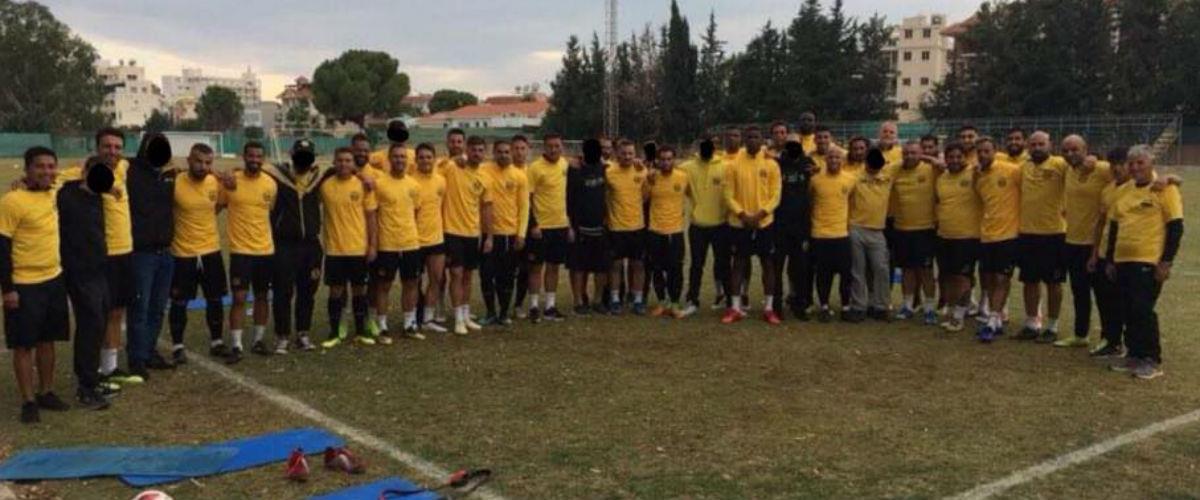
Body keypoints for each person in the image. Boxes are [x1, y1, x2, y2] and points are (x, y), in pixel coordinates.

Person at [3, 147, 70, 423]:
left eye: (51, 166)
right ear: (27, 169)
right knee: (23, 345)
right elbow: (2, 247)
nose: (47, 171)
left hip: (53, 279)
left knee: (47, 340)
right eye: (40, 166)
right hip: (24, 284)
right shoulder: (12, 201)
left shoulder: (55, 191)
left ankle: (46, 391)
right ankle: (28, 400)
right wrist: (8, 289)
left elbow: (85, 172)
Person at [1105, 145, 1183, 380]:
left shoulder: (1165, 189)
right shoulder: (1123, 191)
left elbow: (1175, 227)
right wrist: (1110, 260)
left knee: (1142, 309)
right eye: (1132, 163)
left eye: (1140, 162)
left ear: (1151, 163)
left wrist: (1166, 262)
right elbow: (1114, 227)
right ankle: (1134, 355)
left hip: (1148, 260)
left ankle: (1151, 359)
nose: (1135, 167)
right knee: (1127, 309)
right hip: (1122, 259)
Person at [58, 157, 116, 410]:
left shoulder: (98, 196)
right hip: (78, 271)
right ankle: (86, 387)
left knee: (100, 321)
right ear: (85, 172)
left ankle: (92, 377)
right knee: (90, 323)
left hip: (99, 269)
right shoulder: (66, 195)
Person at [168, 144, 230, 361]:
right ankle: (177, 346)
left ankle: (217, 342)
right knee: (180, 301)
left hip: (211, 249)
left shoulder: (214, 182)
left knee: (215, 298)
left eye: (207, 162)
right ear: (189, 160)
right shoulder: (175, 182)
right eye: (198, 161)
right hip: (183, 252)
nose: (203, 166)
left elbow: (219, 205)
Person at [264, 139, 323, 353]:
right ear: (291, 155)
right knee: (283, 291)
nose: (303, 160)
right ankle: (282, 335)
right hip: (284, 245)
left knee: (307, 292)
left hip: (311, 246)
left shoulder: (318, 178)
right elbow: (251, 169)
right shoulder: (276, 176)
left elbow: (348, 167)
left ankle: (303, 333)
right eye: (299, 155)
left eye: (307, 156)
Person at [126, 132, 178, 373]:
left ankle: (149, 351)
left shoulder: (169, 174)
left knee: (158, 307)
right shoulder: (128, 171)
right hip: (141, 253)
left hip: (165, 252)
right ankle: (136, 358)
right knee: (140, 307)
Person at [722, 126, 782, 325]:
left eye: (756, 137)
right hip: (740, 224)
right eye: (749, 137)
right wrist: (742, 215)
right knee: (738, 263)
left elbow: (776, 195)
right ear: (744, 140)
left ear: (762, 140)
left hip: (764, 223)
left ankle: (769, 308)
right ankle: (735, 307)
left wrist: (760, 214)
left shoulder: (771, 164)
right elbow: (728, 194)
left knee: (768, 264)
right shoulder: (733, 164)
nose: (753, 140)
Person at [319, 147, 379, 347]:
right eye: (340, 160)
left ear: (353, 164)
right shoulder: (325, 186)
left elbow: (371, 217)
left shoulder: (363, 185)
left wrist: (372, 245)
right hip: (334, 249)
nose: (343, 164)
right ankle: (334, 332)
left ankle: (360, 331)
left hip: (358, 248)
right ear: (334, 162)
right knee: (335, 291)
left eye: (347, 160)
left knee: (359, 291)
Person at [224, 142, 279, 358]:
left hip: (265, 251)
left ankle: (258, 340)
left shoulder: (270, 184)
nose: (255, 160)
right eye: (251, 156)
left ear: (263, 159)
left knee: (262, 296)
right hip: (240, 251)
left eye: (258, 156)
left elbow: (271, 211)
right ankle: (236, 344)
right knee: (239, 298)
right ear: (244, 156)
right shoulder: (231, 182)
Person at [1058, 135, 1112, 348]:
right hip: (1072, 241)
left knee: (1103, 294)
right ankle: (1081, 335)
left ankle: (1110, 338)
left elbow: (1132, 174)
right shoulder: (1067, 170)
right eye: (1065, 150)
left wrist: (1168, 179)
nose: (1070, 154)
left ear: (1086, 149)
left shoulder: (1102, 169)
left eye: (1075, 149)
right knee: (1079, 292)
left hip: (1095, 244)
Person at [1015, 131, 1069, 343]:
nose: (1037, 148)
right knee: (1029, 281)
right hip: (1027, 233)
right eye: (1033, 144)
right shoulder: (1023, 168)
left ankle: (1052, 326)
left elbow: (1084, 168)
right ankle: (1032, 323)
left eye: (1041, 144)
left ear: (1050, 145)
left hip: (1054, 234)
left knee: (1053, 283)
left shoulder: (1060, 164)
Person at [442, 136, 494, 335]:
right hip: (452, 230)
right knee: (456, 273)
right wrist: (453, 160)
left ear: (484, 153)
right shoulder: (452, 167)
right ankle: (457, 319)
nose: (477, 154)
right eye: (473, 150)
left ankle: (465, 314)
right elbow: (434, 168)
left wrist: (489, 236)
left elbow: (486, 208)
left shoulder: (485, 177)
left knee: (468, 275)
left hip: (473, 233)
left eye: (481, 150)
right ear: (466, 150)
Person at [371, 143, 424, 338]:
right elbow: (374, 214)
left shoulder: (414, 185)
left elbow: (415, 212)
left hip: (411, 243)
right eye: (396, 156)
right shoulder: (379, 184)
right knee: (383, 286)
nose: (400, 160)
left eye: (403, 157)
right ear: (389, 159)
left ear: (407, 160)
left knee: (411, 283)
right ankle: (382, 325)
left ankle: (409, 324)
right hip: (387, 244)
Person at [973, 137, 1022, 342]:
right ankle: (996, 318)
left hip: (1008, 235)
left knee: (1002, 278)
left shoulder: (1011, 170)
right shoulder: (978, 177)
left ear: (996, 151)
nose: (983, 155)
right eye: (980, 152)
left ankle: (993, 319)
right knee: (990, 279)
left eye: (987, 151)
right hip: (987, 235)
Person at [933, 142, 982, 332]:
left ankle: (960, 316)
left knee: (963, 278)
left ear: (964, 158)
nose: (954, 160)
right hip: (944, 235)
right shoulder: (942, 178)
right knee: (949, 277)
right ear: (945, 159)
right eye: (950, 157)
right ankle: (954, 310)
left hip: (967, 236)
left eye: (958, 157)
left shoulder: (974, 173)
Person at [479, 139, 529, 324]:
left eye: (507, 152)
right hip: (488, 234)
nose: (503, 155)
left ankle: (504, 313)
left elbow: (524, 207)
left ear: (512, 153)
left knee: (506, 276)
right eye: (499, 152)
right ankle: (490, 312)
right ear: (493, 153)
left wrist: (521, 233)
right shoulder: (484, 170)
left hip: (510, 234)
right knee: (486, 275)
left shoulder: (519, 176)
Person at [680, 136, 730, 315]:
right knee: (696, 265)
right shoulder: (686, 167)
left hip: (721, 224)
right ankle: (692, 300)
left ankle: (730, 301)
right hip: (698, 225)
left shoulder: (725, 166)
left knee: (724, 264)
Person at [891, 141, 938, 324]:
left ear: (921, 154)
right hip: (901, 229)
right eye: (906, 153)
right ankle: (908, 305)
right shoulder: (895, 170)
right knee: (907, 270)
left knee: (926, 271)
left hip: (925, 230)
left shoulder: (930, 169)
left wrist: (928, 158)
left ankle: (929, 308)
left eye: (913, 153)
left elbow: (944, 165)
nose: (909, 156)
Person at [525, 134, 571, 321]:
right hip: (540, 227)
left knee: (554, 267)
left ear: (562, 147)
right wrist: (533, 224)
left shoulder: (565, 165)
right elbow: (527, 198)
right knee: (536, 267)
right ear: (544, 147)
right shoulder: (535, 168)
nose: (553, 149)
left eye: (557, 146)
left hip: (560, 225)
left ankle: (550, 306)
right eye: (550, 146)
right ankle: (534, 306)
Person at [1089, 147, 1129, 357]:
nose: (1117, 168)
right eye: (1113, 164)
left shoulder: (1141, 187)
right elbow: (1101, 223)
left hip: (1127, 255)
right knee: (1105, 299)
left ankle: (1132, 346)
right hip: (1106, 254)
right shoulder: (1107, 190)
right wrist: (1094, 253)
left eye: (1121, 164)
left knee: (1127, 303)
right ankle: (1110, 340)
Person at [808, 150, 856, 322]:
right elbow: (810, 201)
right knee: (823, 274)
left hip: (841, 233)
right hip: (820, 234)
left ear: (842, 160)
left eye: (837, 157)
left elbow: (852, 202)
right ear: (825, 160)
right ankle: (824, 306)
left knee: (846, 273)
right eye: (831, 157)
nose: (834, 160)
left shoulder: (850, 179)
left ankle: (846, 307)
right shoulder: (815, 180)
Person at [847, 148, 895, 322]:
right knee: (857, 270)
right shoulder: (854, 177)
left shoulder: (888, 175)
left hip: (878, 230)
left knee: (881, 269)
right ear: (865, 163)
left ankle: (881, 306)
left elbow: (906, 161)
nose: (874, 170)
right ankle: (858, 306)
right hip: (856, 228)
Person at [645, 145, 691, 318]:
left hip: (675, 231)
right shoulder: (651, 177)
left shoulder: (683, 177)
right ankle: (662, 302)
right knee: (656, 268)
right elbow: (643, 199)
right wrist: (648, 182)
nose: (665, 162)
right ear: (658, 160)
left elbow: (693, 195)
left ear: (674, 160)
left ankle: (674, 303)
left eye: (669, 159)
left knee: (675, 269)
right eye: (662, 159)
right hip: (655, 230)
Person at [567, 139, 611, 315]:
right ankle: (578, 300)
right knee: (579, 267)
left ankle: (597, 300)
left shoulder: (606, 169)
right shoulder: (574, 170)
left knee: (601, 267)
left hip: (601, 226)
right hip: (579, 226)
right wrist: (570, 225)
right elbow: (568, 199)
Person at [605, 139, 649, 315]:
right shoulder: (608, 171)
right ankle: (615, 299)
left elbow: (645, 197)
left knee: (638, 265)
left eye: (631, 153)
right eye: (623, 153)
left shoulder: (641, 171)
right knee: (615, 266)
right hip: (616, 227)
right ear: (617, 154)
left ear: (635, 154)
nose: (627, 156)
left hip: (637, 226)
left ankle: (637, 299)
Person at [773, 136, 814, 320]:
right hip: (780, 224)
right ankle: (776, 305)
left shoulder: (808, 163)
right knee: (777, 266)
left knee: (800, 267)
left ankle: (799, 304)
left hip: (801, 224)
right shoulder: (777, 163)